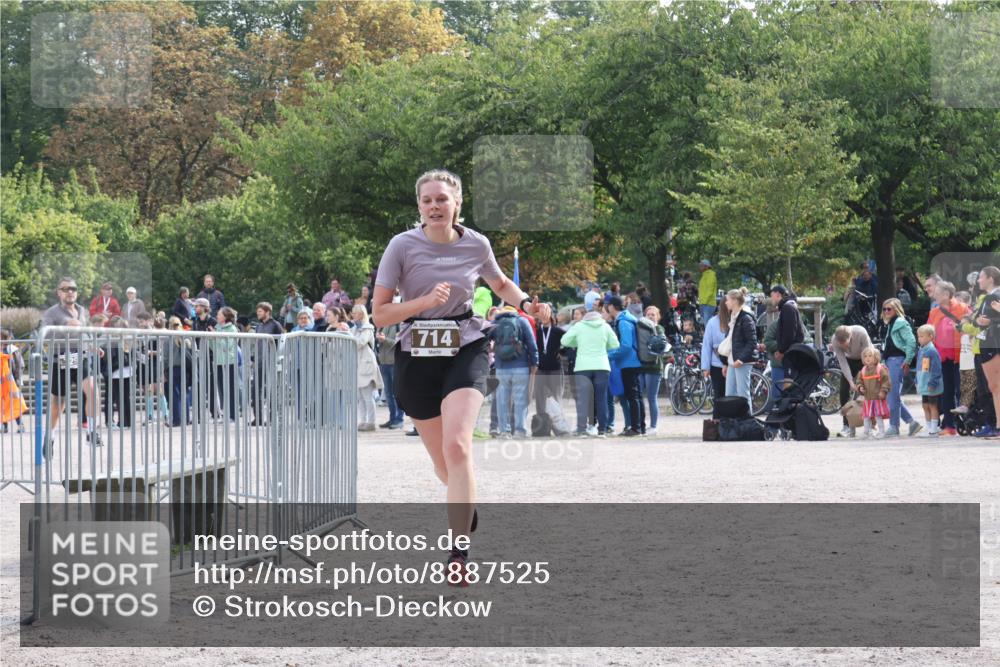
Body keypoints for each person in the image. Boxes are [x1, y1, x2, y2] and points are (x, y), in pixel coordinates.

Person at [372, 169, 539, 582]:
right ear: (419, 206)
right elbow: (380, 314)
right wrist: (424, 301)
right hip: (416, 353)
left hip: (466, 345)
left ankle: (458, 554)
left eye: (442, 199)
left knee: (458, 447)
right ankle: (464, 502)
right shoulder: (401, 246)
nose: (434, 206)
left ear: (457, 203)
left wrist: (527, 303)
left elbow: (501, 283)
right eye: (427, 200)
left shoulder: (476, 243)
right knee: (444, 463)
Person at [41, 277, 103, 448]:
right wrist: (65, 328)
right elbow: (44, 334)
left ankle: (92, 432)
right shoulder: (51, 313)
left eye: (73, 289)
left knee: (93, 391)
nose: (70, 292)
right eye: (66, 289)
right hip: (61, 357)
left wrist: (93, 345)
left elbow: (85, 331)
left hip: (81, 356)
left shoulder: (82, 310)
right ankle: (50, 436)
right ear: (58, 293)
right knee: (59, 402)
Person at [561, 307, 619, 437]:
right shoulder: (605, 326)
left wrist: (577, 343)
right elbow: (615, 344)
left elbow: (564, 341)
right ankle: (602, 430)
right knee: (601, 398)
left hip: (583, 366)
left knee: (583, 399)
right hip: (602, 365)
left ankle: (582, 429)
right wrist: (604, 346)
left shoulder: (579, 326)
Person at [927, 281, 971, 435]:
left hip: (962, 356)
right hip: (942, 357)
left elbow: (971, 329)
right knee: (946, 392)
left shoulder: (963, 308)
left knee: (961, 390)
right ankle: (949, 426)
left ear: (946, 294)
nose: (934, 295)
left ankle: (966, 424)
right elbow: (929, 333)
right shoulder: (934, 312)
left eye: (937, 293)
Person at [961, 266, 1000, 436]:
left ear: (991, 278)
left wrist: (990, 321)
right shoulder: (987, 297)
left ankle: (997, 426)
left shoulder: (995, 295)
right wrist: (978, 322)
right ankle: (997, 425)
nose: (978, 280)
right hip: (986, 343)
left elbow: (992, 320)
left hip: (993, 343)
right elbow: (979, 320)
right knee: (993, 387)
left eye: (981, 277)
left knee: (995, 387)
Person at [490, 305, 539, 438]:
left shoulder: (495, 322)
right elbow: (531, 343)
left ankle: (504, 431)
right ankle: (520, 431)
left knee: (502, 400)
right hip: (521, 366)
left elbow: (484, 340)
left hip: (501, 367)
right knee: (520, 400)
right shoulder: (522, 321)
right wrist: (535, 362)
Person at [880, 298, 922, 437]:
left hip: (897, 361)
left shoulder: (900, 322)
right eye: (884, 309)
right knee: (892, 395)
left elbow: (911, 341)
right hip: (890, 361)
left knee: (892, 395)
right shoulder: (891, 324)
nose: (886, 311)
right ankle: (911, 422)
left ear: (896, 309)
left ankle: (894, 426)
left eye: (889, 309)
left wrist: (908, 360)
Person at [605, 295, 644, 436]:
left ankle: (635, 428)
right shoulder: (627, 319)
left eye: (608, 305)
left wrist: (610, 355)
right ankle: (640, 426)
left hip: (629, 363)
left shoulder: (623, 322)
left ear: (612, 307)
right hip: (633, 361)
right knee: (636, 396)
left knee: (632, 396)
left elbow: (626, 346)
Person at [830, 325, 872, 438]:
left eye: (845, 343)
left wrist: (862, 378)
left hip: (865, 359)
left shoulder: (861, 333)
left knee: (868, 390)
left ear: (851, 336)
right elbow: (842, 361)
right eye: (841, 344)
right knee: (843, 390)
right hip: (849, 361)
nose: (844, 346)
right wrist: (850, 382)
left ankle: (871, 424)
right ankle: (846, 425)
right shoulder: (835, 340)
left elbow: (868, 355)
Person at [532, 303, 566, 435]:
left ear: (551, 315)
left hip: (555, 369)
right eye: (540, 314)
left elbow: (569, 344)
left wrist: (562, 353)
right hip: (540, 369)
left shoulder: (558, 331)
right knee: (540, 399)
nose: (543, 316)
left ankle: (559, 428)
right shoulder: (536, 331)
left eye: (545, 313)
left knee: (556, 399)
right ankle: (542, 429)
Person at [722, 288, 758, 412]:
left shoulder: (746, 318)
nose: (726, 302)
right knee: (729, 394)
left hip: (742, 361)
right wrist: (726, 363)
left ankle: (748, 420)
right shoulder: (733, 317)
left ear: (734, 301)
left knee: (743, 394)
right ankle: (732, 420)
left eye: (727, 300)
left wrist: (741, 359)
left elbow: (752, 342)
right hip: (733, 359)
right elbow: (730, 342)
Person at [350, 305, 383, 432]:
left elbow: (360, 343)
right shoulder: (354, 329)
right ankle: (363, 421)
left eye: (356, 313)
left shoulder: (367, 329)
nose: (353, 315)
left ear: (361, 314)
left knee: (368, 396)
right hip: (357, 365)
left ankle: (371, 422)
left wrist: (348, 336)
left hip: (366, 365)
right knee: (360, 397)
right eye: (353, 313)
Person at [639, 306, 667, 435]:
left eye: (653, 315)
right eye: (648, 314)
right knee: (639, 396)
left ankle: (654, 426)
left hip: (654, 367)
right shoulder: (640, 328)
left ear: (658, 317)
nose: (650, 317)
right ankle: (640, 425)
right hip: (641, 366)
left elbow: (662, 345)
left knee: (651, 397)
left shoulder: (659, 329)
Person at [855, 346, 891, 439]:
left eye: (870, 356)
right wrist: (860, 387)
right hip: (868, 399)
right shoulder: (863, 371)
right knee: (866, 416)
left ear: (876, 357)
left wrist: (883, 391)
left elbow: (886, 381)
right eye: (865, 356)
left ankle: (881, 432)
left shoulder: (880, 369)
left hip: (877, 398)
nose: (867, 358)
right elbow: (859, 381)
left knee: (878, 416)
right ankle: (866, 432)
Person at [211, 307, 239, 422]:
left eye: (219, 314)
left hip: (229, 362)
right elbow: (214, 347)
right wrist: (211, 338)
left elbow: (227, 346)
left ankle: (232, 415)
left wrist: (216, 336)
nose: (217, 316)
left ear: (225, 316)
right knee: (222, 390)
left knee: (230, 389)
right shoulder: (217, 327)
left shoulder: (232, 329)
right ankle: (225, 414)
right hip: (218, 361)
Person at [164, 316, 193, 427]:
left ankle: (177, 419)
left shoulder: (168, 339)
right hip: (185, 368)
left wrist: (163, 371)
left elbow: (165, 357)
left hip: (173, 368)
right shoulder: (186, 337)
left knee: (174, 395)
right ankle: (186, 419)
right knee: (184, 393)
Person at [915, 325, 943, 437]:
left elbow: (936, 368)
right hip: (923, 383)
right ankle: (928, 427)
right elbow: (919, 367)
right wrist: (916, 380)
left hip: (931, 384)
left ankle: (934, 429)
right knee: (925, 406)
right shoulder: (921, 350)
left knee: (933, 406)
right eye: (918, 336)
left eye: (922, 336)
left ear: (930, 336)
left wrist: (933, 382)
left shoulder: (932, 351)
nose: (919, 339)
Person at [376, 321, 404, 429]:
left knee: (397, 393)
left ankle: (399, 420)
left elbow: (401, 343)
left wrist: (385, 340)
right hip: (384, 363)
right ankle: (392, 419)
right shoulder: (382, 325)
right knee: (388, 394)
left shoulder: (399, 325)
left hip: (394, 363)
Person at [770, 285, 804, 370]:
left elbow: (789, 333)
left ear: (778, 294)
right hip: (790, 351)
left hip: (791, 352)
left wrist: (781, 351)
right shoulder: (787, 307)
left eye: (772, 295)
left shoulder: (787, 308)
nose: (771, 299)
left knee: (789, 377)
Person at [700, 299, 729, 400]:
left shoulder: (735, 320)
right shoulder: (712, 322)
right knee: (719, 396)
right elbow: (707, 345)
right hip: (717, 365)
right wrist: (706, 367)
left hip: (732, 364)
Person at [1, 329, 27, 434]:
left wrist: (17, 379)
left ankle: (20, 425)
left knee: (15, 403)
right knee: (2, 404)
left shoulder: (12, 349)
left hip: (11, 382)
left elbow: (19, 365)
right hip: (1, 382)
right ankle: (4, 426)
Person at [697, 259, 717, 325]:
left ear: (707, 266)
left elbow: (710, 290)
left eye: (701, 265)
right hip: (704, 303)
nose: (700, 267)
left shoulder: (711, 275)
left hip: (708, 304)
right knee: (706, 324)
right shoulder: (704, 276)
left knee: (707, 325)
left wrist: (704, 301)